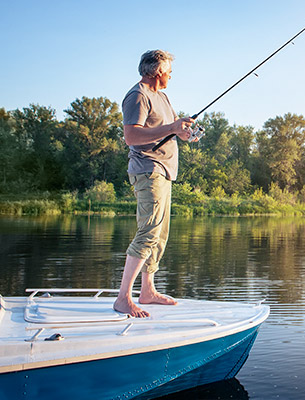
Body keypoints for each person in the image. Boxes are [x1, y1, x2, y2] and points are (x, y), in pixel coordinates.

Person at [113, 50, 195, 317]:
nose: (171, 74)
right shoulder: (138, 95)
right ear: (158, 71)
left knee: (160, 236)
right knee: (148, 232)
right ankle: (123, 297)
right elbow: (131, 135)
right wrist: (172, 128)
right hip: (148, 170)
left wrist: (183, 131)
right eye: (169, 70)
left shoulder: (162, 97)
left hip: (164, 172)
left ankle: (147, 291)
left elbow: (168, 128)